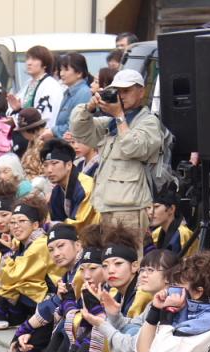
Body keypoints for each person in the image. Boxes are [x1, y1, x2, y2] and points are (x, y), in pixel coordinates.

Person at [0, 223, 82, 352]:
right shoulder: (70, 270)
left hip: (92, 330)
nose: (56, 253)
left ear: (78, 245)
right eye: (51, 250)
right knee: (51, 312)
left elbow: (15, 275)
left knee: (58, 315)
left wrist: (27, 327)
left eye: (61, 246)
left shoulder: (82, 269)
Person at [70, 69, 163, 237]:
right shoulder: (110, 123)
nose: (121, 96)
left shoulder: (149, 122)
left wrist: (119, 116)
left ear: (141, 92)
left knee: (129, 252)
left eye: (126, 91)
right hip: (106, 205)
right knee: (111, 253)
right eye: (117, 91)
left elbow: (134, 148)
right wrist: (89, 108)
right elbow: (79, 131)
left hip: (131, 208)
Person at [0, 201, 55, 332]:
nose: (16, 226)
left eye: (21, 221)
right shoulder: (21, 242)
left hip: (50, 297)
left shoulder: (40, 243)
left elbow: (13, 276)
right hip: (35, 295)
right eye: (13, 222)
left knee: (13, 284)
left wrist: (7, 253)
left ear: (35, 225)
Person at [41, 139, 99, 233]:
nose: (49, 170)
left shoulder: (85, 187)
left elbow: (79, 223)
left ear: (68, 165)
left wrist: (51, 226)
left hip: (93, 235)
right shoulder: (57, 191)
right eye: (45, 165)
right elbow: (56, 220)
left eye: (54, 163)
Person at [6, 45, 64, 131]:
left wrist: (17, 119)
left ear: (44, 64)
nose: (29, 63)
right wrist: (18, 109)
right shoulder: (29, 83)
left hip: (40, 133)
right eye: (28, 59)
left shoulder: (50, 85)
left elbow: (46, 116)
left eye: (34, 59)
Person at [49, 53, 93, 141]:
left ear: (79, 73)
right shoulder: (68, 92)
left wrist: (53, 131)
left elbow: (76, 125)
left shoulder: (83, 93)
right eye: (60, 70)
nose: (61, 74)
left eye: (66, 70)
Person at [147, 188, 195, 255]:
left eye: (156, 207)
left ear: (171, 209)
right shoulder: (155, 234)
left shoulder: (184, 234)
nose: (150, 212)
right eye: (148, 207)